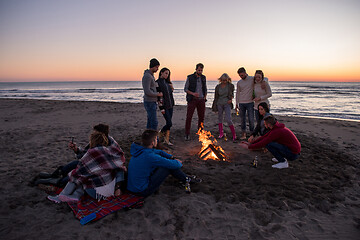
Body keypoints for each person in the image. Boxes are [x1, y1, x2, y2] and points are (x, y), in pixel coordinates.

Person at [47, 130, 127, 203]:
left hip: (97, 194)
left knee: (76, 174)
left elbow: (78, 173)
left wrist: (72, 176)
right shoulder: (110, 151)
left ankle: (61, 196)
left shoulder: (92, 153)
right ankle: (76, 195)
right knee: (90, 173)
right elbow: (120, 167)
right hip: (111, 189)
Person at [127, 129, 201, 197]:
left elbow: (159, 151)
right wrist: (177, 162)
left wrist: (171, 157)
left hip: (132, 188)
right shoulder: (151, 157)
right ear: (153, 143)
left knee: (164, 164)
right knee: (167, 167)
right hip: (141, 191)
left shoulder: (139, 150)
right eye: (156, 139)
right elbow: (174, 165)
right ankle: (186, 179)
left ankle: (186, 178)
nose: (157, 140)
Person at [34, 124, 112, 187]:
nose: (92, 134)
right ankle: (54, 175)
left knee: (75, 174)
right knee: (75, 163)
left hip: (94, 172)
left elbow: (88, 160)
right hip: (90, 167)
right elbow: (84, 156)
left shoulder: (105, 147)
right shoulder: (97, 141)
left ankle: (54, 180)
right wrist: (76, 149)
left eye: (94, 132)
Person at [184, 63, 207, 141]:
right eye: (199, 70)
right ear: (196, 69)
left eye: (201, 70)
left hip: (201, 100)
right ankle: (187, 133)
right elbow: (185, 89)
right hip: (192, 99)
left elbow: (205, 88)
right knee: (189, 117)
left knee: (201, 117)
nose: (200, 71)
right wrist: (193, 93)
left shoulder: (203, 78)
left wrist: (205, 97)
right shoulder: (190, 77)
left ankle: (200, 132)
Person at [211, 73, 237, 142]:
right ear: (220, 80)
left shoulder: (230, 86)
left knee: (228, 119)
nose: (224, 81)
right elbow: (216, 97)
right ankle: (221, 133)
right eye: (223, 80)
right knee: (220, 119)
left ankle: (234, 134)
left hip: (227, 104)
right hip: (219, 103)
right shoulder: (218, 87)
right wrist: (214, 107)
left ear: (228, 80)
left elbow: (232, 94)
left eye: (225, 80)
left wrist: (231, 100)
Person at [156, 67, 175, 146]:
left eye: (168, 74)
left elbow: (170, 94)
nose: (167, 75)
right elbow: (158, 97)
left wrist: (172, 87)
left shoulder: (168, 83)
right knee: (169, 123)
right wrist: (161, 108)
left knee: (168, 122)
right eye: (166, 73)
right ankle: (159, 134)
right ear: (161, 73)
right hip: (164, 106)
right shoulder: (157, 83)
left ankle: (166, 140)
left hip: (171, 105)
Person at [142, 58, 163, 130]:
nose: (157, 69)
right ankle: (153, 139)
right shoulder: (147, 76)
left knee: (150, 122)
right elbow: (147, 91)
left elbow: (152, 89)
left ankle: (149, 139)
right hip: (149, 102)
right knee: (154, 122)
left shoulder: (151, 76)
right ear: (152, 66)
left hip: (152, 101)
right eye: (157, 67)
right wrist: (157, 94)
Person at [235, 67, 255, 140]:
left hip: (250, 102)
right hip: (241, 103)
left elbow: (264, 78)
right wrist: (236, 103)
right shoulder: (239, 82)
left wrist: (264, 83)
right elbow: (237, 93)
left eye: (242, 75)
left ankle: (252, 134)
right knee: (242, 119)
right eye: (240, 76)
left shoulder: (252, 79)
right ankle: (243, 134)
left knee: (251, 119)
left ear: (245, 73)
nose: (241, 77)